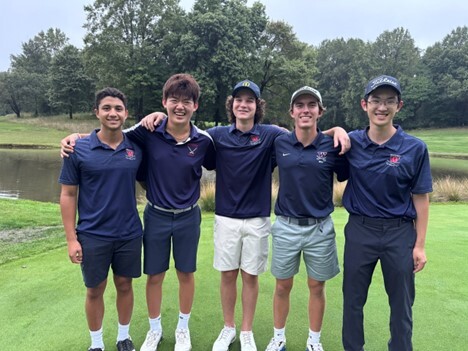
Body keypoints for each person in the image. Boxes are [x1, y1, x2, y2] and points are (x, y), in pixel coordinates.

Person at [140, 79, 350, 351]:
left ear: (257, 106)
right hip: (226, 217)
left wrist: (337, 129)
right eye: (239, 99)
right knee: (228, 275)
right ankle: (228, 328)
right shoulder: (215, 136)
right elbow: (185, 129)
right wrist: (159, 117)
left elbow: (306, 130)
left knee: (250, 277)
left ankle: (247, 331)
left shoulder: (272, 135)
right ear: (232, 105)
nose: (243, 104)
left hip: (258, 218)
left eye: (250, 100)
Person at [61, 74, 216, 351]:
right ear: (164, 102)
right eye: (173, 100)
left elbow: (221, 162)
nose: (179, 106)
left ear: (196, 106)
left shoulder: (204, 140)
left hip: (188, 216)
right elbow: (109, 132)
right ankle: (154, 329)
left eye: (186, 101)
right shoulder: (147, 131)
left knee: (185, 273)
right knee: (154, 275)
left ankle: (182, 328)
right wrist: (77, 137)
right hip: (155, 215)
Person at [341, 75, 432, 351]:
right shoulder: (352, 142)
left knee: (402, 304)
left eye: (389, 101)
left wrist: (420, 245)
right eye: (376, 100)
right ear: (364, 104)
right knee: (353, 301)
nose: (382, 107)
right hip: (360, 230)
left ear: (399, 106)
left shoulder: (415, 148)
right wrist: (335, 130)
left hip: (399, 233)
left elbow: (421, 198)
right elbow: (312, 136)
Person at [264, 86, 348, 351]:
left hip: (320, 228)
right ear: (292, 112)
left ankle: (314, 340)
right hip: (286, 226)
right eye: (300, 105)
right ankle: (278, 338)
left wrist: (339, 130)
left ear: (320, 112)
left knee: (316, 286)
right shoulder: (280, 143)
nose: (305, 110)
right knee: (282, 286)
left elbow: (349, 171)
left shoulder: (332, 145)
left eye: (312, 105)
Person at [59, 87, 143, 351]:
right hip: (93, 234)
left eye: (118, 108)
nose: (113, 113)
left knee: (125, 284)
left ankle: (123, 337)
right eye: (106, 108)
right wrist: (71, 239)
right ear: (96, 112)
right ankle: (96, 343)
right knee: (94, 289)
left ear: (126, 114)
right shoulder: (77, 148)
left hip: (129, 232)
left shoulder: (136, 148)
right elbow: (68, 194)